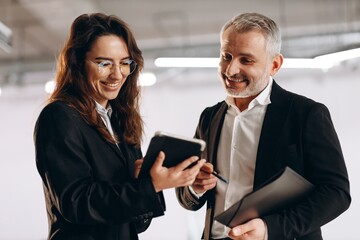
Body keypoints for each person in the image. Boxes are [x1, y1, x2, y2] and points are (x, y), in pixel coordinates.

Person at [176, 12, 351, 240]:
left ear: (275, 65)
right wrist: (194, 187)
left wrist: (270, 229)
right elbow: (187, 196)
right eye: (226, 56)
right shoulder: (210, 117)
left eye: (246, 60)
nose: (230, 70)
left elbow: (336, 194)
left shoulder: (306, 114)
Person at [34, 13, 205, 240]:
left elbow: (135, 223)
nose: (117, 74)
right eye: (103, 63)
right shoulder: (59, 116)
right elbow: (77, 203)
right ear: (77, 63)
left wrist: (143, 181)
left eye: (124, 63)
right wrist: (150, 186)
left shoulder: (120, 120)